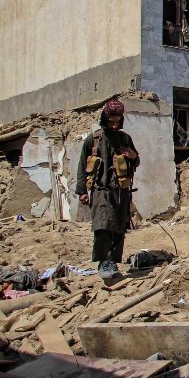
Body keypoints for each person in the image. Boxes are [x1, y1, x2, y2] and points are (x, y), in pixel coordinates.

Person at [75, 100, 140, 280]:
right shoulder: (93, 140)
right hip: (100, 190)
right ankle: (103, 262)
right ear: (104, 119)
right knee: (102, 226)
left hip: (121, 192)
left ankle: (112, 263)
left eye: (117, 122)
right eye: (110, 122)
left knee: (118, 228)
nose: (114, 125)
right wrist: (82, 191)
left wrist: (133, 156)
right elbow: (81, 166)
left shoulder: (125, 139)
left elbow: (136, 161)